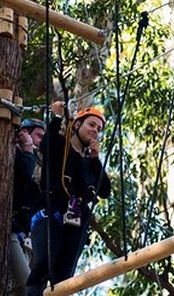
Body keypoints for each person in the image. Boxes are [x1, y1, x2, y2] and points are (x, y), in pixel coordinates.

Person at [25, 102, 111, 295]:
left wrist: (96, 160)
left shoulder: (90, 161)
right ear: (77, 125)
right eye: (91, 125)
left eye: (98, 129)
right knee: (43, 265)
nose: (95, 131)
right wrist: (56, 117)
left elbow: (104, 190)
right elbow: (45, 148)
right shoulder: (60, 146)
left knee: (64, 276)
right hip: (50, 211)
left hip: (76, 221)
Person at [6, 118, 46, 296]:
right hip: (9, 232)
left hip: (26, 238)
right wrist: (28, 149)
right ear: (24, 134)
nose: (40, 142)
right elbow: (24, 172)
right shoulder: (13, 153)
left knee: (20, 291)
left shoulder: (35, 166)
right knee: (29, 288)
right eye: (38, 136)